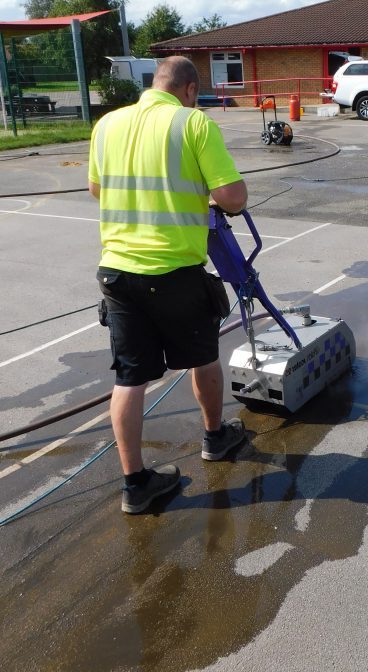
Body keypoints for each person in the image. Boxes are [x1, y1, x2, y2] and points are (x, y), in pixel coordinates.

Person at [89, 56, 249, 514]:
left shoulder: (108, 124)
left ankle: (135, 483)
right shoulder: (192, 124)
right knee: (202, 357)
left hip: (118, 273)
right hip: (175, 271)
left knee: (130, 378)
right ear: (190, 89)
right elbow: (232, 198)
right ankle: (215, 437)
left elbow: (97, 189)